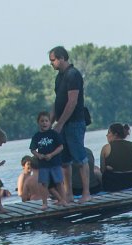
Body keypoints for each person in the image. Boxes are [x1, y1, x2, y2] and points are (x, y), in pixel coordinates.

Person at [48, 46, 90, 203]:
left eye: (53, 60)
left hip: (74, 122)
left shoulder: (73, 75)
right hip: (61, 124)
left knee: (80, 158)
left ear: (61, 58)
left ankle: (86, 193)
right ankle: (68, 194)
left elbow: (72, 101)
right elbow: (57, 102)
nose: (51, 63)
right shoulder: (59, 77)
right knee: (65, 161)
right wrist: (49, 123)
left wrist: (60, 123)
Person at [28, 112, 66, 207]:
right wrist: (38, 155)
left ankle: (63, 200)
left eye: (46, 121)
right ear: (38, 123)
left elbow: (61, 147)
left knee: (59, 182)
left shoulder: (54, 134)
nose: (44, 123)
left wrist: (51, 154)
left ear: (50, 123)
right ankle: (44, 203)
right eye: (42, 121)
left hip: (55, 163)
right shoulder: (37, 136)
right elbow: (32, 149)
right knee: (44, 183)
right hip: (43, 165)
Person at [98, 122, 132, 191]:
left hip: (114, 184)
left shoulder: (106, 148)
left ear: (115, 135)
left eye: (109, 132)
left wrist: (107, 168)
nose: (106, 135)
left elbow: (102, 170)